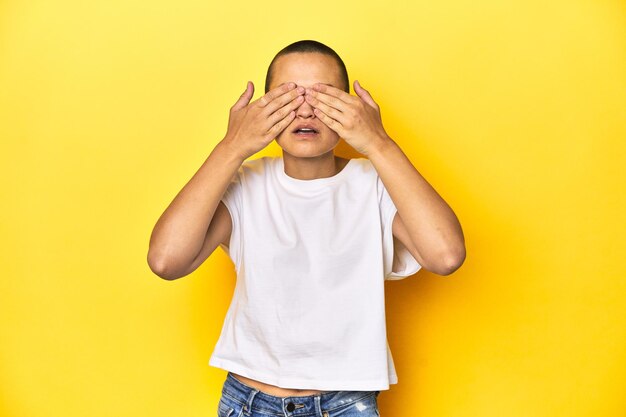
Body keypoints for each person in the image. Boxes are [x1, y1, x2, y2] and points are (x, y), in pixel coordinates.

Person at [147, 40, 465, 417]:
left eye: (324, 97)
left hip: (347, 404)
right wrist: (231, 146)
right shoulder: (244, 185)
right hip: (249, 402)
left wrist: (378, 142)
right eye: (288, 96)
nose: (306, 110)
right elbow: (166, 260)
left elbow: (445, 255)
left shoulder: (377, 185)